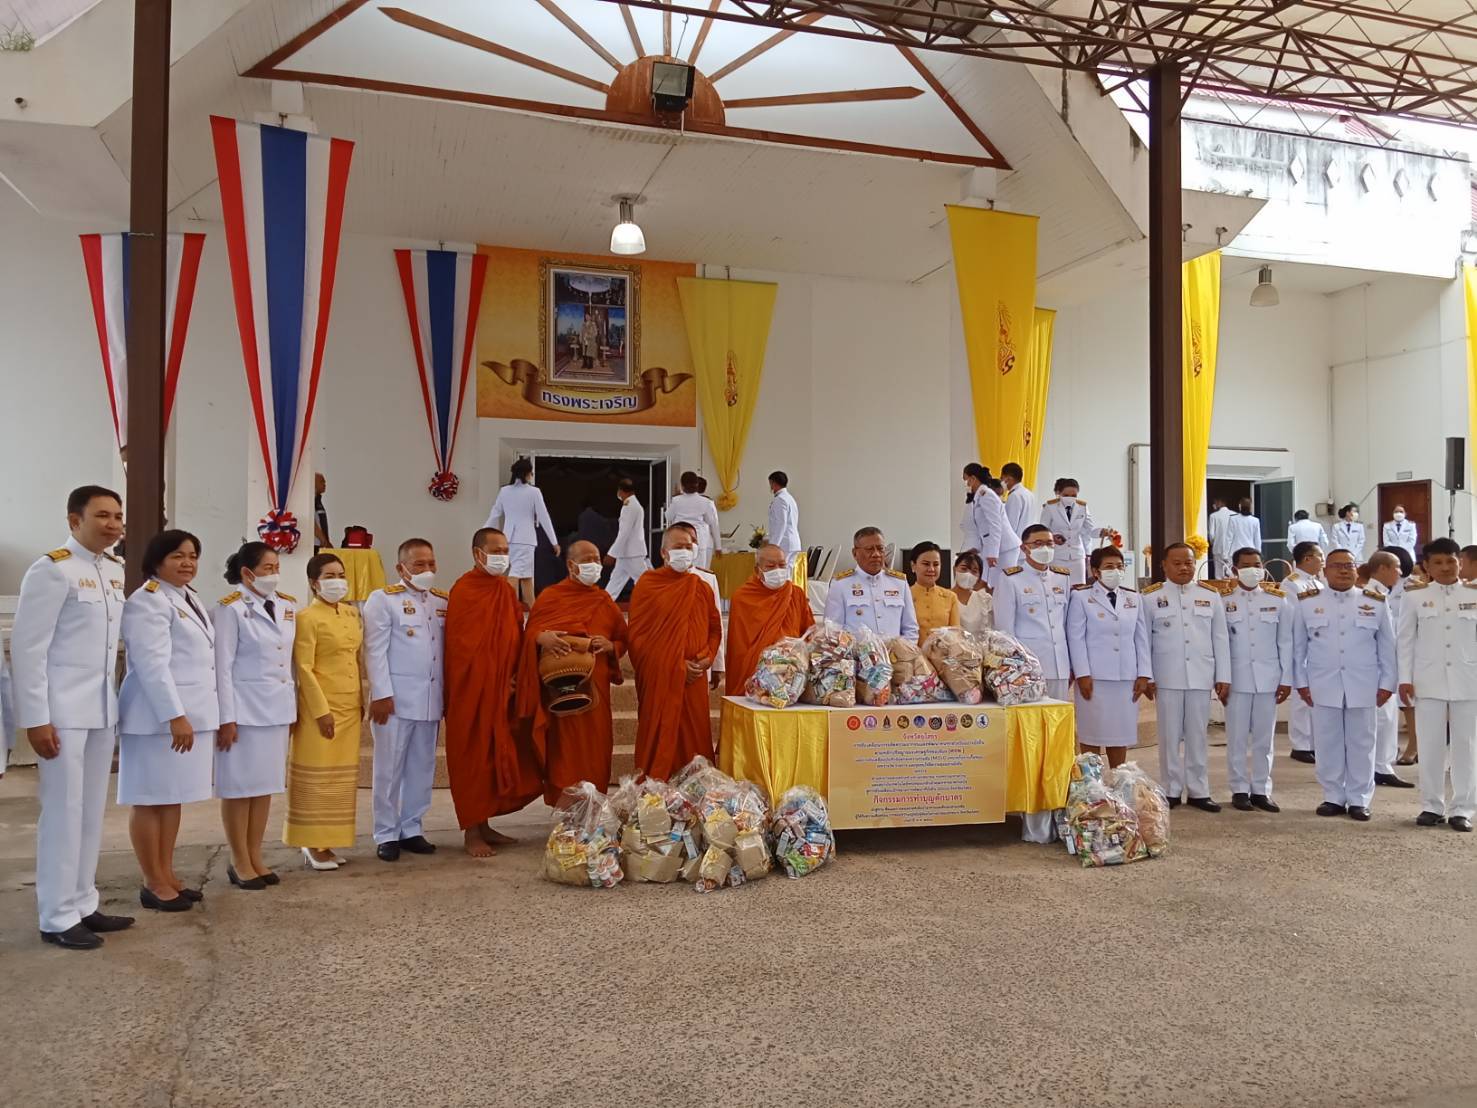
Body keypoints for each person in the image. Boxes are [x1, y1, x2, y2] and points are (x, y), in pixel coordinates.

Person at [12, 485, 133, 949]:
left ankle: (83, 901)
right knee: (62, 812)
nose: (113, 523)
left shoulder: (114, 570)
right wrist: (36, 718)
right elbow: (28, 648)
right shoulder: (52, 570)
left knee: (88, 811)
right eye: (102, 515)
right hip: (61, 711)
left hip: (101, 707)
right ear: (73, 519)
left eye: (118, 515)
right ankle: (57, 915)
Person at [117, 530, 217, 912]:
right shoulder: (147, 601)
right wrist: (175, 715)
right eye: (177, 555)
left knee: (171, 797)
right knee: (149, 799)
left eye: (193, 555)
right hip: (155, 719)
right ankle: (152, 882)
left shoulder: (187, 597)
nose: (188, 562)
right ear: (156, 561)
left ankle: (168, 873)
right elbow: (151, 664)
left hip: (186, 714)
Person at [444, 528, 540, 857]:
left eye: (505, 549)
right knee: (473, 758)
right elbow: (462, 650)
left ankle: (486, 825)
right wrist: (494, 678)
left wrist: (515, 675)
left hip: (504, 690)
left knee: (500, 753)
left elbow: (516, 634)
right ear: (477, 554)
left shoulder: (503, 589)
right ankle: (472, 831)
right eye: (495, 550)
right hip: (472, 693)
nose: (502, 555)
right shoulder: (464, 591)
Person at [213, 542, 298, 890]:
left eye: (276, 566)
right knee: (238, 788)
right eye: (267, 568)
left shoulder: (287, 606)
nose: (274, 574)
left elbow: (288, 660)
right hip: (244, 711)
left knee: (263, 787)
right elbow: (222, 667)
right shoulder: (229, 609)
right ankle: (238, 860)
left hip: (276, 709)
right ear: (247, 573)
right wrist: (226, 718)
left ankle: (255, 854)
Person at [519, 540, 629, 804]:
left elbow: (623, 638)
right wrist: (540, 637)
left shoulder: (603, 599)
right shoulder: (551, 597)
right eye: (587, 559)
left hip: (595, 692)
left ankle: (594, 808)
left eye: (597, 559)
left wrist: (611, 646)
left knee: (597, 747)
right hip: (560, 692)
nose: (594, 564)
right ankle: (566, 810)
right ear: (571, 565)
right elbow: (530, 634)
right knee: (564, 749)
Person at [1293, 547, 1396, 821]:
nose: (1343, 570)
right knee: (1328, 742)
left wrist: (1388, 682)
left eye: (1349, 566)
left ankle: (1360, 799)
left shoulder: (1375, 601)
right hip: (1322, 683)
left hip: (1364, 684)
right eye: (1337, 565)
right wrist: (1301, 682)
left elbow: (1388, 646)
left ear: (1356, 569)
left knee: (1363, 742)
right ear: (1325, 570)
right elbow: (1298, 648)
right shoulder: (1306, 602)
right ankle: (1333, 797)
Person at [363, 539, 447, 862]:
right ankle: (386, 833)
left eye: (431, 563)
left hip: (429, 700)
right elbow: (374, 650)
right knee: (389, 769)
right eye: (418, 565)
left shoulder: (440, 601)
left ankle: (411, 827)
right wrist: (381, 694)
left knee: (422, 767)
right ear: (401, 568)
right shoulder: (383, 600)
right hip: (395, 702)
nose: (427, 570)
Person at [284, 554, 364, 869]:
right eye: (330, 575)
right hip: (322, 707)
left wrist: (362, 700)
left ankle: (328, 842)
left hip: (350, 705)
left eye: (341, 574)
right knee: (317, 775)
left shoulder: (351, 613)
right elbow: (304, 668)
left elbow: (356, 658)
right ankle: (311, 842)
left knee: (340, 778)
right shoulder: (306, 617)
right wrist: (321, 711)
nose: (337, 581)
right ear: (314, 582)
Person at [627, 525, 723, 781]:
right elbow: (637, 638)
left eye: (689, 546)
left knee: (695, 736)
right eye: (678, 547)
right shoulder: (648, 585)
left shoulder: (701, 586)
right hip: (661, 680)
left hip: (694, 679)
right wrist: (677, 666)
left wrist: (706, 659)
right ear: (664, 553)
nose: (685, 551)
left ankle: (696, 793)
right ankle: (654, 791)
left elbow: (715, 629)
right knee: (658, 736)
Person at [1141, 542, 1230, 810]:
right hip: (1167, 676)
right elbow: (1143, 640)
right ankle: (1170, 789)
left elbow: (1220, 638)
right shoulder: (1150, 597)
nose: (1184, 567)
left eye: (1189, 562)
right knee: (1169, 736)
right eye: (1177, 563)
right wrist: (1146, 675)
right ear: (1164, 566)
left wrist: (1222, 675)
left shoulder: (1211, 596)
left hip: (1201, 675)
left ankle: (1199, 789)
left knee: (1197, 735)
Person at [1397, 537, 1477, 833]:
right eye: (1438, 563)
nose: (1446, 567)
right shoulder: (1414, 597)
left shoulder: (1474, 593)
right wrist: (1404, 678)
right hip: (1427, 681)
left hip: (1469, 680)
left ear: (1460, 562)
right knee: (1429, 745)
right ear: (1427, 567)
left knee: (1466, 747)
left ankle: (1463, 809)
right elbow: (1405, 640)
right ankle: (1431, 805)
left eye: (1451, 561)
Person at [1066, 546, 1151, 768]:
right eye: (1109, 567)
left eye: (1119, 566)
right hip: (1095, 678)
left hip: (1126, 678)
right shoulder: (1082, 597)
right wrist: (1082, 673)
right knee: (1091, 734)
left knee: (1119, 735)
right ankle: (1092, 790)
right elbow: (1076, 638)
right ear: (1095, 571)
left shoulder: (1133, 598)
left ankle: (1118, 783)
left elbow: (1141, 639)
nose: (1115, 571)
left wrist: (1144, 673)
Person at [1221, 547, 1292, 812]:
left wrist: (1286, 678)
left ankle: (1261, 789)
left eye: (1257, 564)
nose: (1253, 569)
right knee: (1237, 737)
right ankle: (1239, 789)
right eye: (1247, 565)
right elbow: (1221, 643)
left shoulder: (1278, 600)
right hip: (1236, 679)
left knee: (1265, 739)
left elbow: (1285, 642)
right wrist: (1222, 678)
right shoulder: (1223, 599)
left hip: (1268, 678)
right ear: (1236, 569)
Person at [993, 525, 1073, 699]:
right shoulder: (1011, 579)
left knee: (1058, 719)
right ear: (1024, 548)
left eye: (1049, 543)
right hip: (1028, 667)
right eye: (1037, 543)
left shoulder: (1063, 577)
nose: (1044, 548)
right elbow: (1005, 630)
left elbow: (1066, 623)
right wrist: (1016, 668)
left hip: (1059, 665)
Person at [724, 543, 813, 694]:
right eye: (770, 566)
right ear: (757, 570)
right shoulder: (742, 597)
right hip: (754, 672)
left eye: (782, 565)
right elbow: (738, 645)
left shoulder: (795, 593)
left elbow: (809, 632)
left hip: (790, 671)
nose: (777, 570)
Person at [1363, 551, 1415, 789]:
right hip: (1375, 668)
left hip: (1390, 666)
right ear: (1382, 568)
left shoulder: (1387, 593)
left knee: (1388, 719)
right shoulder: (1370, 596)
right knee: (1379, 720)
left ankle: (1383, 766)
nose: (1400, 573)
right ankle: (1375, 767)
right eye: (1395, 568)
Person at [484, 458, 560, 607]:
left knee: (526, 575)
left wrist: (483, 533)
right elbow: (543, 516)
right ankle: (512, 605)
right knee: (517, 573)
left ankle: (533, 608)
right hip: (526, 538)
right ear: (527, 474)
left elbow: (495, 513)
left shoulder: (504, 491)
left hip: (508, 538)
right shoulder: (534, 492)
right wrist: (554, 541)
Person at [825, 527, 920, 641]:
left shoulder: (899, 583)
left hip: (895, 656)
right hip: (856, 657)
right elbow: (833, 630)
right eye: (869, 549)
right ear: (855, 554)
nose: (876, 554)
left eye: (880, 549)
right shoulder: (841, 584)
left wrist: (903, 654)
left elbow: (910, 629)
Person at [1282, 541, 1326, 764]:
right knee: (1301, 695)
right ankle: (1300, 744)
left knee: (1315, 694)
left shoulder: (1317, 583)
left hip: (1317, 643)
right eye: (1320, 556)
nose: (1323, 560)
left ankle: (1315, 742)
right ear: (1307, 558)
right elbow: (1293, 617)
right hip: (1299, 642)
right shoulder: (1291, 584)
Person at [1039, 477, 1111, 587]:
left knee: (1079, 589)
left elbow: (1089, 529)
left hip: (1077, 556)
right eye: (1066, 495)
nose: (1070, 498)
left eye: (1074, 495)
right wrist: (1052, 537)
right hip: (1057, 555)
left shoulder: (1082, 507)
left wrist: (1102, 532)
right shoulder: (1050, 507)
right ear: (1059, 494)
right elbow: (1042, 530)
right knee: (1057, 588)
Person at [960, 464, 1019, 587]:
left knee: (1002, 585)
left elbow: (995, 525)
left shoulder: (986, 495)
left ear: (973, 478)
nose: (966, 484)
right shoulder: (979, 496)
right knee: (991, 584)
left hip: (1004, 548)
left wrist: (992, 553)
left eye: (966, 480)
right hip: (993, 547)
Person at [605, 478, 649, 600]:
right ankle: (602, 606)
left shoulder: (629, 506)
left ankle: (657, 606)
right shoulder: (633, 504)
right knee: (615, 582)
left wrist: (612, 554)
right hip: (627, 553)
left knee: (646, 583)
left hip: (632, 554)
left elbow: (624, 533)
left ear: (620, 491)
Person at [909, 541, 960, 645]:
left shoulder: (950, 597)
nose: (931, 569)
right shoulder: (904, 595)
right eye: (926, 564)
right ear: (913, 566)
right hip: (911, 657)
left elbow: (955, 634)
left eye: (936, 564)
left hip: (943, 657)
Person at [669, 471, 722, 569]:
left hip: (680, 540)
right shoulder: (706, 502)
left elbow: (668, 517)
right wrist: (718, 546)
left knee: (681, 570)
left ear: (682, 485)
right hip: (699, 540)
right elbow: (713, 524)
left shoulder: (676, 500)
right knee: (700, 572)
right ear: (697, 485)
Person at [950, 551, 994, 636]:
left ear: (979, 577)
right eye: (964, 569)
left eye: (974, 571)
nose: (968, 574)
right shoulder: (944, 597)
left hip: (979, 648)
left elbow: (990, 632)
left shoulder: (984, 599)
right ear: (954, 569)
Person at [767, 471, 803, 573]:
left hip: (784, 544)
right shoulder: (790, 498)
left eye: (770, 484)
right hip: (791, 542)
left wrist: (773, 546)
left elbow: (780, 524)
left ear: (774, 483)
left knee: (783, 575)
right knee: (788, 575)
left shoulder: (780, 500)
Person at [1000, 462, 1038, 534]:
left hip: (1017, 541)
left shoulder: (1014, 495)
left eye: (1002, 478)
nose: (1001, 482)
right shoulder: (1030, 494)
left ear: (1008, 478)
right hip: (1029, 538)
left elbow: (1010, 525)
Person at [1208, 496, 1234, 578]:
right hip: (1232, 548)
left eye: (1215, 502)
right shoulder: (1235, 514)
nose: (1214, 505)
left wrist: (1214, 543)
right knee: (1231, 574)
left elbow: (1211, 534)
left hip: (1218, 548)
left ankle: (1219, 590)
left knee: (1219, 574)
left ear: (1220, 502)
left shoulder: (1213, 516)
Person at [313, 472, 330, 552]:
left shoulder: (318, 500)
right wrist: (323, 539)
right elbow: (312, 523)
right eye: (322, 482)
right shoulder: (310, 500)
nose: (324, 484)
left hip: (322, 543)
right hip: (316, 544)